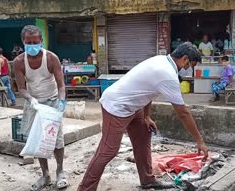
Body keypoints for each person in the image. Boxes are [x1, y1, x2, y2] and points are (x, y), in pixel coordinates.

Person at [78, 42, 209, 191]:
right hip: (117, 106)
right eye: (189, 65)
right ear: (184, 58)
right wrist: (200, 141)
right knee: (108, 150)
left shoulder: (161, 60)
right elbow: (183, 113)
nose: (188, 69)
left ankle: (147, 180)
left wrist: (147, 117)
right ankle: (85, 188)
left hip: (134, 107)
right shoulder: (167, 74)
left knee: (143, 135)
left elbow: (149, 91)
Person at [13, 25, 69, 191]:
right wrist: (30, 99)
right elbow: (21, 87)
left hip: (52, 102)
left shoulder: (51, 58)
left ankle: (60, 171)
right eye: (28, 42)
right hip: (34, 104)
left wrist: (61, 101)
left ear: (41, 41)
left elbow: (61, 85)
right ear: (23, 41)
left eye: (35, 42)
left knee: (56, 139)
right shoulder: (18, 62)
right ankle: (45, 175)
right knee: (38, 140)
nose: (32, 45)